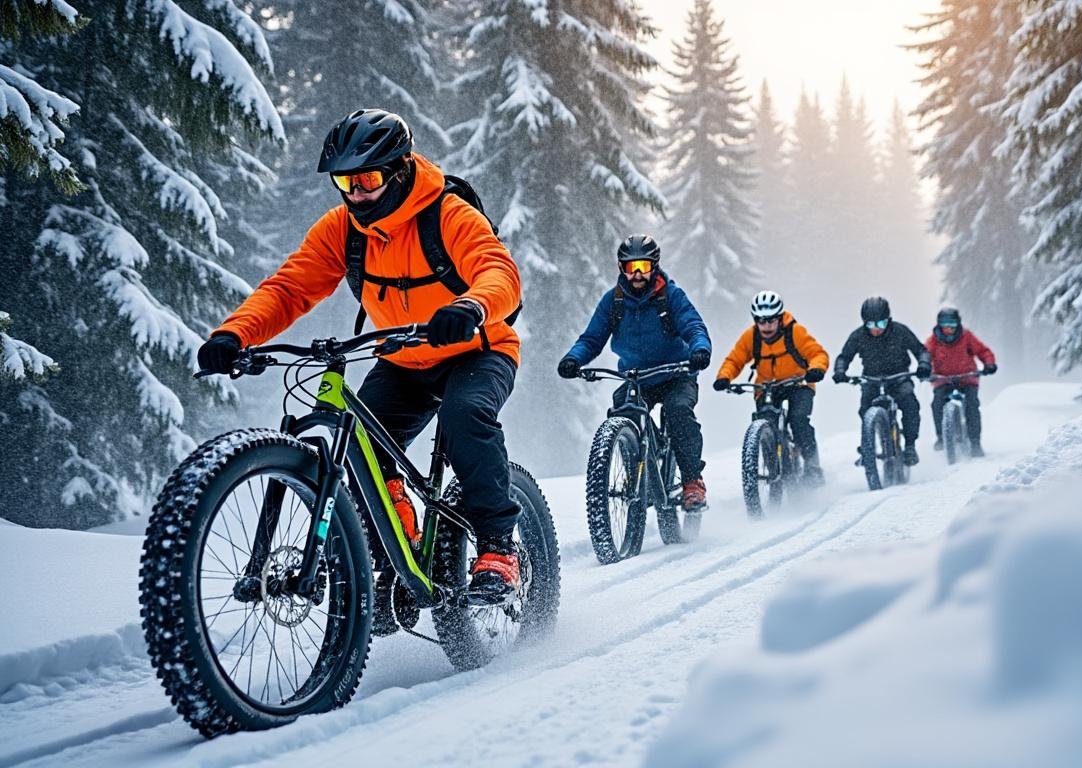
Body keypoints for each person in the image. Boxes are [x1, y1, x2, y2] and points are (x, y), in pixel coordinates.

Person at [195, 108, 525, 603]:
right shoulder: (342, 229)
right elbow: (289, 289)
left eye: (367, 179)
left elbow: (499, 271)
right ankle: (396, 538)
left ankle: (499, 548)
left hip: (478, 349)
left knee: (464, 418)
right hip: (403, 358)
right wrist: (235, 334)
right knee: (363, 438)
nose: (356, 194)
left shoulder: (449, 214)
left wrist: (472, 305)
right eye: (344, 183)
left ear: (399, 170)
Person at [557, 235, 714, 510]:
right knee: (624, 409)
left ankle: (692, 481)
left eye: (643, 265)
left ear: (654, 265)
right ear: (621, 268)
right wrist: (573, 359)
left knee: (678, 411)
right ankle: (641, 465)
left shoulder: (671, 296)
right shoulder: (613, 301)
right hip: (637, 377)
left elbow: (693, 326)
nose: (637, 273)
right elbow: (591, 339)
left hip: (676, 373)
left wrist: (700, 350)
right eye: (631, 267)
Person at [713, 290, 829, 485]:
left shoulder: (795, 332)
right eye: (761, 320)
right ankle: (775, 469)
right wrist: (724, 377)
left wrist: (816, 369)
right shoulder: (751, 337)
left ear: (780, 317)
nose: (766, 326)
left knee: (798, 420)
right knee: (765, 419)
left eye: (771, 320)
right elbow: (735, 359)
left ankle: (812, 466)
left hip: (798, 383)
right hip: (767, 386)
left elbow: (817, 353)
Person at [832, 296, 931, 465]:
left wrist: (923, 365)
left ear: (888, 320)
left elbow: (921, 350)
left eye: (881, 324)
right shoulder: (858, 336)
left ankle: (909, 446)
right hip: (872, 380)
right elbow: (844, 356)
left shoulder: (900, 331)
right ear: (865, 323)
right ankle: (867, 448)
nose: (876, 329)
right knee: (865, 410)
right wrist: (840, 371)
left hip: (899, 378)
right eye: (871, 324)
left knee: (910, 406)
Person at [925, 307, 997, 457]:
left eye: (952, 324)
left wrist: (989, 364)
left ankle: (975, 443)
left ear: (958, 324)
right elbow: (925, 356)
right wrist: (924, 369)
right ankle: (941, 437)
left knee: (972, 406)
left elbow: (983, 351)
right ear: (939, 325)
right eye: (945, 325)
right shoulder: (933, 340)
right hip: (943, 380)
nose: (949, 329)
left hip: (967, 378)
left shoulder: (966, 336)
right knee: (937, 403)